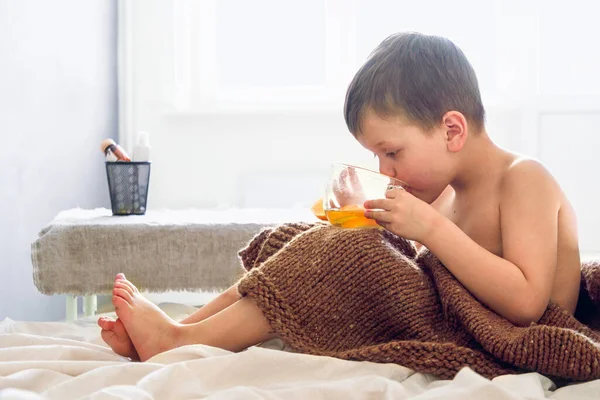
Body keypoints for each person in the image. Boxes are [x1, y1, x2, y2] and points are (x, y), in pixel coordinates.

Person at [98, 32, 581, 362]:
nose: (385, 171)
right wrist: (364, 221)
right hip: (456, 320)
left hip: (506, 339)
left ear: (452, 129)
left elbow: (526, 304)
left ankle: (181, 340)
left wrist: (428, 228)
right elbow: (414, 268)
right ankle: (181, 332)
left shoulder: (524, 179)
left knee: (343, 254)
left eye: (392, 152)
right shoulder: (445, 195)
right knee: (303, 238)